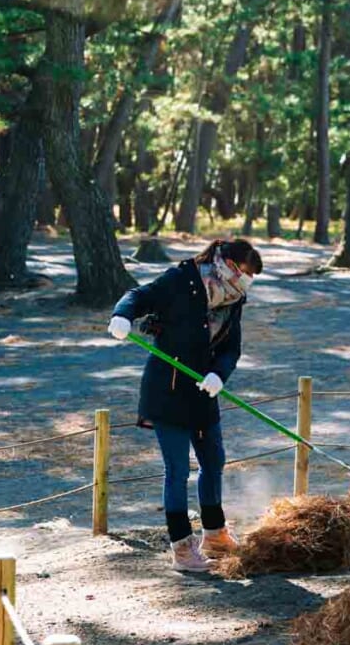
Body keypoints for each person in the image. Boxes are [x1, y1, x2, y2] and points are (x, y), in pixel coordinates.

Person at [107, 238, 263, 573]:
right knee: (177, 471)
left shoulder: (234, 297)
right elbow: (138, 296)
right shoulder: (183, 279)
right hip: (168, 390)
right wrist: (122, 316)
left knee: (213, 461)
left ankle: (215, 534)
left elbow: (230, 349)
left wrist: (219, 375)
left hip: (203, 393)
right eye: (246, 273)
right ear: (228, 265)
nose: (247, 281)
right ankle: (182, 548)